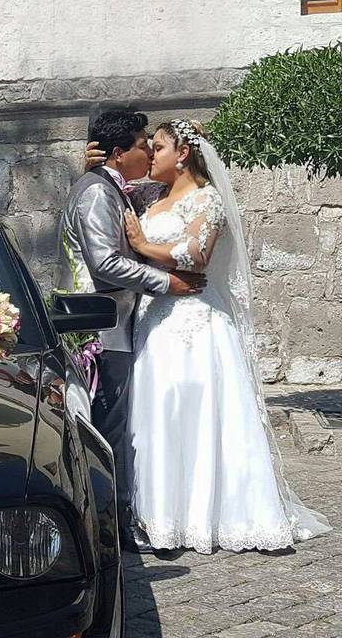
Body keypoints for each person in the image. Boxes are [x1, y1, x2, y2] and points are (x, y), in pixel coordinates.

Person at [90, 119, 332, 553]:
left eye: (158, 147)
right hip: (154, 322)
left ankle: (213, 514)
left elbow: (196, 256)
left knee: (202, 413)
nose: (150, 155)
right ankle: (162, 518)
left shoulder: (209, 200)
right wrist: (92, 165)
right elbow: (111, 185)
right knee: (156, 415)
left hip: (197, 319)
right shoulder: (152, 196)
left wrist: (144, 247)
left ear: (182, 154)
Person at [57, 110, 206, 551]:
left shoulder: (111, 188)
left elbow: (172, 186)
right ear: (121, 154)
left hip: (115, 326)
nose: (148, 150)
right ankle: (106, 528)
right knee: (107, 429)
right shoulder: (96, 194)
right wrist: (167, 282)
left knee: (115, 427)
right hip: (100, 329)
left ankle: (116, 518)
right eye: (144, 144)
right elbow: (104, 263)